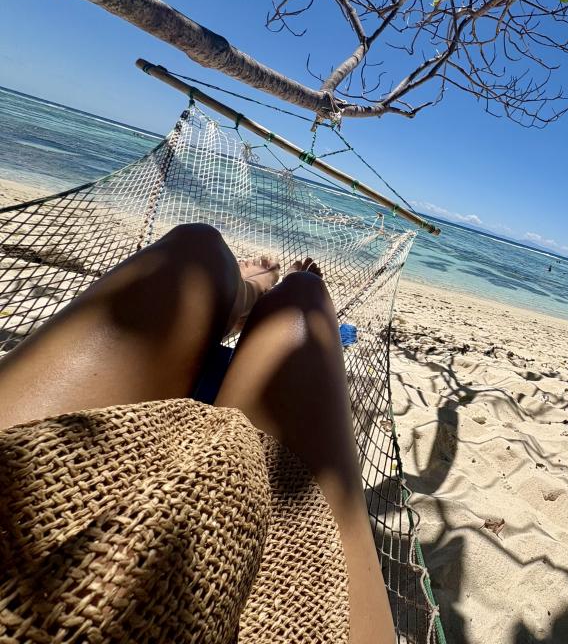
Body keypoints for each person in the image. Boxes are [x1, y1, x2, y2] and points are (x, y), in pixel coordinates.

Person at [0, 224, 393, 643]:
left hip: (28, 488)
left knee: (195, 249)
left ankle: (246, 293)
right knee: (302, 302)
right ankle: (265, 292)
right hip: (276, 596)